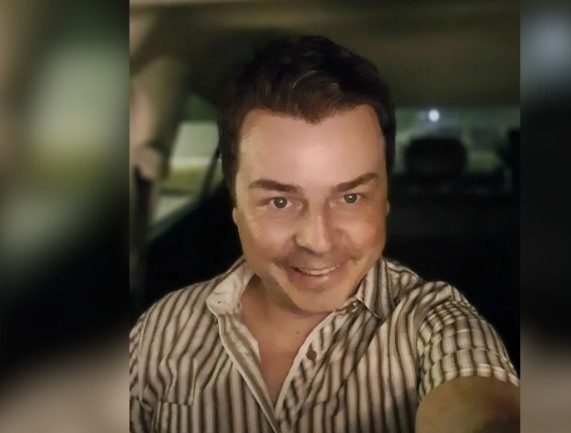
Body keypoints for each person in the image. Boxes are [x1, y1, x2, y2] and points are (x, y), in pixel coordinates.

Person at [129, 35, 519, 433]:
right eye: (280, 201)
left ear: (384, 201)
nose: (318, 241)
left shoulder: (435, 323)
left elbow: (482, 406)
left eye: (350, 197)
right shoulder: (159, 331)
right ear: (235, 204)